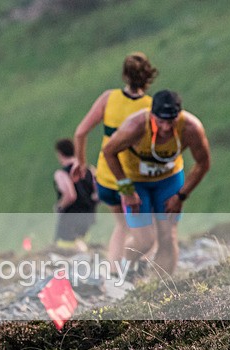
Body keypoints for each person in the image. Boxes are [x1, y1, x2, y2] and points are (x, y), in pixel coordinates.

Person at [102, 89, 211, 275]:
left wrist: (181, 196)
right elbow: (109, 151)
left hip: (168, 180)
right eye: (161, 121)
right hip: (136, 182)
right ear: (152, 115)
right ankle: (126, 267)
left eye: (171, 121)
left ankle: (164, 287)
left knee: (168, 236)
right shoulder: (135, 126)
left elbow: (203, 163)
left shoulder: (191, 128)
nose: (166, 128)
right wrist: (126, 189)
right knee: (144, 241)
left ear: (179, 115)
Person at [72, 52, 159, 271]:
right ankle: (137, 270)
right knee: (146, 232)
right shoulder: (150, 107)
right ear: (148, 76)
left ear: (125, 75)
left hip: (105, 177)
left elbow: (80, 132)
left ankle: (112, 272)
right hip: (131, 181)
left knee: (121, 226)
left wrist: (81, 164)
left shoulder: (108, 98)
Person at [53, 138, 97, 252]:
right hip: (88, 216)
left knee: (64, 248)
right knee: (83, 242)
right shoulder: (89, 170)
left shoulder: (61, 174)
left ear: (60, 154)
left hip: (70, 218)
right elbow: (97, 193)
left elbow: (70, 195)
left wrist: (59, 206)